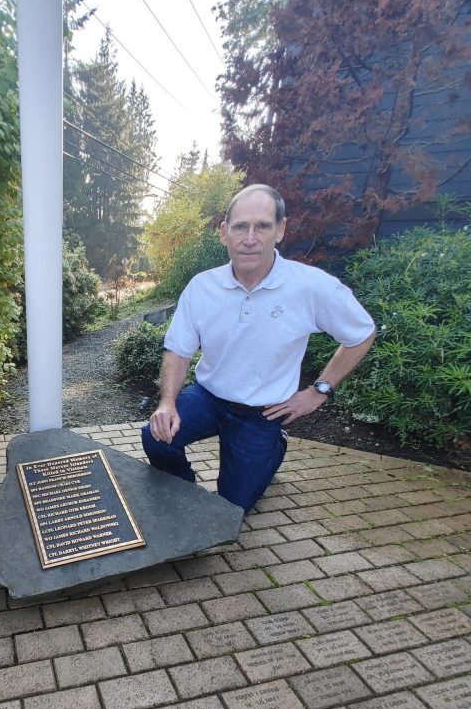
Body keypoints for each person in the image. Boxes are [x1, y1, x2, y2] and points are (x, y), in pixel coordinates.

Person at [143, 183, 376, 515]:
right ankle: (185, 490)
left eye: (262, 226)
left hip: (262, 413)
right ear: (224, 233)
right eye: (240, 226)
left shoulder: (310, 286)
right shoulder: (202, 287)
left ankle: (273, 446)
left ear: (280, 230)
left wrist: (318, 391)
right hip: (208, 396)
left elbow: (361, 334)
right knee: (156, 436)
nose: (249, 238)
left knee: (232, 505)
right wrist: (167, 403)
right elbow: (178, 351)